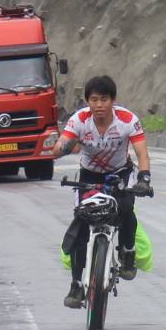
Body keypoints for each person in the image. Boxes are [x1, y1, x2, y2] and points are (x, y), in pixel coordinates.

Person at [54, 75, 152, 308]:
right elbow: (60, 145)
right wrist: (62, 148)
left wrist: (144, 179)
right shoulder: (79, 120)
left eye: (104, 99)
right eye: (94, 100)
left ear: (113, 101)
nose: (99, 105)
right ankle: (77, 284)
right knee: (82, 223)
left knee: (126, 208)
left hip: (119, 173)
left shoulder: (128, 120)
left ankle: (128, 252)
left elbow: (142, 154)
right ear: (87, 101)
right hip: (89, 176)